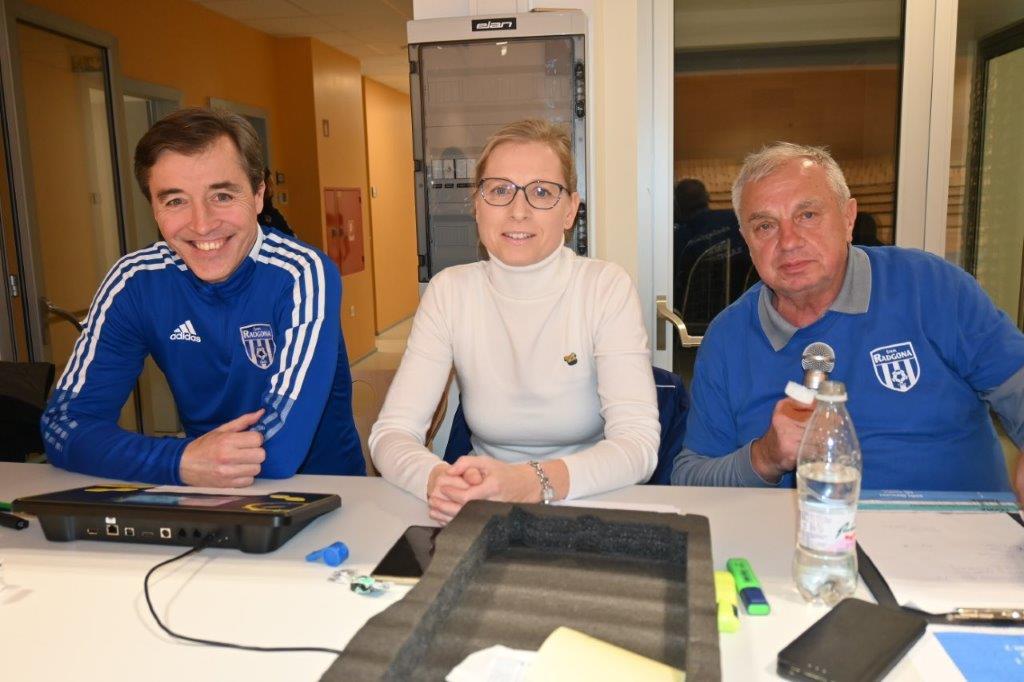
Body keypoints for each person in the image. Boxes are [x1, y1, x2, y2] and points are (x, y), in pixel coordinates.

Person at [671, 142, 1024, 505]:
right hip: (803, 535)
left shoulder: (931, 287)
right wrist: (764, 458)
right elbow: (690, 478)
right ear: (747, 241)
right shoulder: (727, 338)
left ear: (848, 218)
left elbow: (1017, 383)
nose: (788, 242)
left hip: (956, 527)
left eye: (807, 215)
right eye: (765, 226)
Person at [41, 108, 364, 486]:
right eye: (175, 201)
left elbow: (279, 453)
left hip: (324, 492)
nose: (202, 224)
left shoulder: (302, 273)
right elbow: (64, 427)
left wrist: (173, 460)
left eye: (222, 195)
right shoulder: (135, 282)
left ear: (258, 195)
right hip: (204, 493)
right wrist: (181, 460)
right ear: (154, 208)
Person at [369, 119, 659, 524]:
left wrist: (531, 482)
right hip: (483, 505)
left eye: (542, 192)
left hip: (587, 502)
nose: (518, 211)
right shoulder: (449, 291)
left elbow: (639, 445)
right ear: (477, 205)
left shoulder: (604, 287)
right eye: (500, 190)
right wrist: (438, 480)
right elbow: (390, 434)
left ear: (570, 210)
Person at [257, 167, 295, 236]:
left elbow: (292, 236)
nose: (272, 187)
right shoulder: (262, 215)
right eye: (270, 182)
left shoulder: (274, 214)